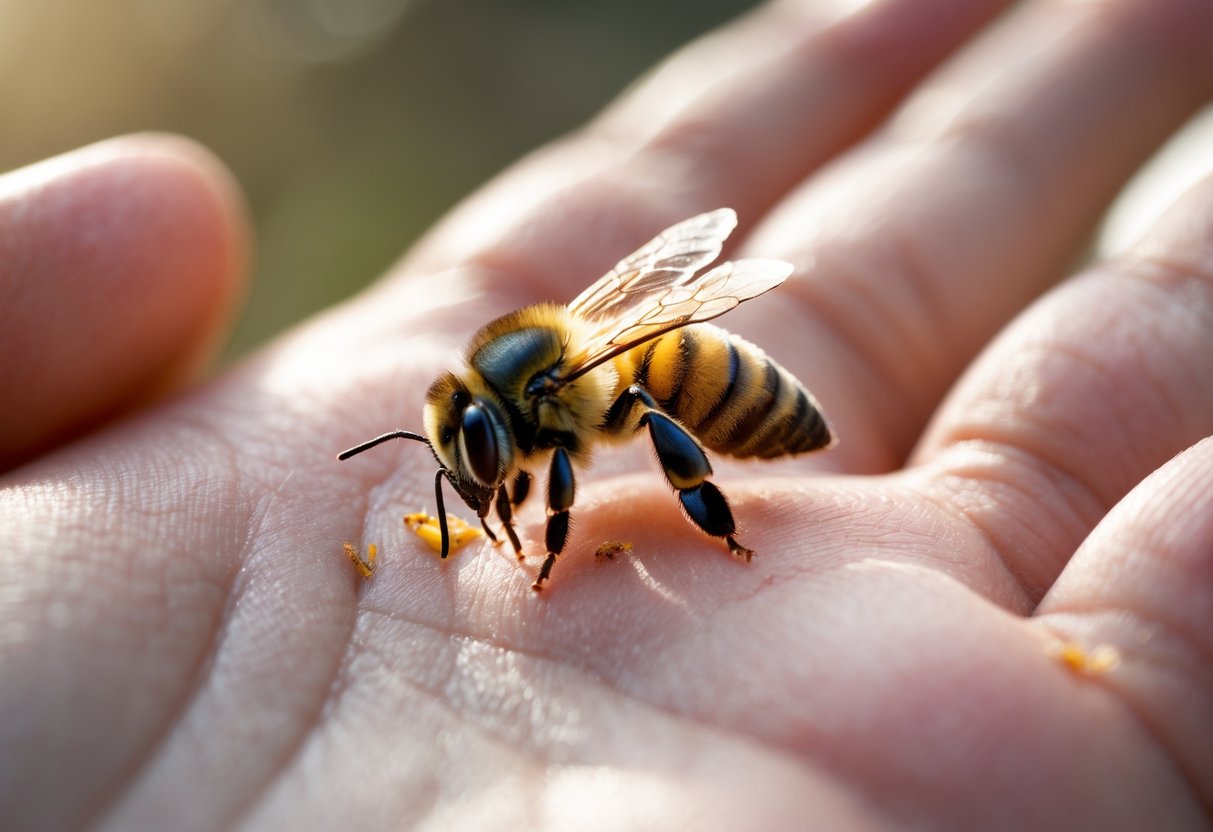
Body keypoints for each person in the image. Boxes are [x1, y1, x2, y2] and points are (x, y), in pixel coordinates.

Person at [2, 0, 1211, 828]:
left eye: (479, 463)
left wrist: (581, 530)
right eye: (473, 470)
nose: (480, 483)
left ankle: (717, 513)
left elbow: (575, 442)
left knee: (640, 394)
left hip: (702, 382)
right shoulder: (506, 401)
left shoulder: (546, 404)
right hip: (654, 371)